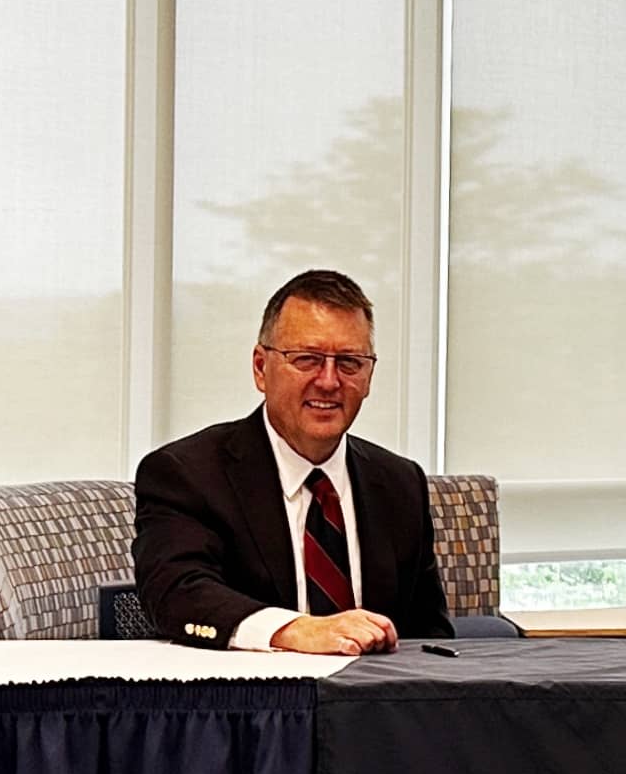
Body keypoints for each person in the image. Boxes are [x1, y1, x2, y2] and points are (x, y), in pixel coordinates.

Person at [134, 269, 453, 654]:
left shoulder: (400, 483)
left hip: (374, 707)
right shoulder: (187, 474)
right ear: (260, 368)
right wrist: (295, 630)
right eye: (307, 359)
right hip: (249, 709)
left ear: (369, 376)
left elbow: (428, 636)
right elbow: (176, 593)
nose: (329, 381)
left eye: (350, 362)